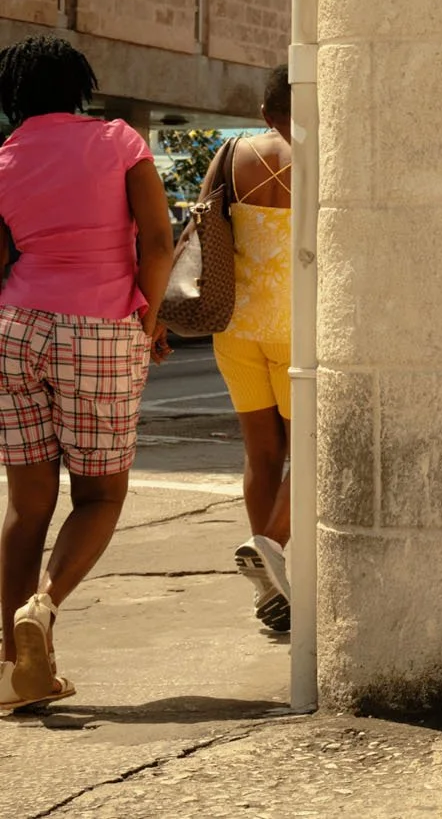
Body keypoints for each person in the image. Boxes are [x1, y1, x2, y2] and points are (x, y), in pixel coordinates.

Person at [0, 37, 174, 711]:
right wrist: (148, 320)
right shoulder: (118, 139)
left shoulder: (5, 158)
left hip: (16, 327)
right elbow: (157, 242)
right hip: (99, 326)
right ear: (79, 84)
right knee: (99, 496)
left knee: (26, 500)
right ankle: (41, 607)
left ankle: (12, 672)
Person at [205, 65, 293, 634]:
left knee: (261, 455)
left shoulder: (233, 153)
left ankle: (274, 591)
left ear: (263, 113)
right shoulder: (321, 157)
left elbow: (200, 229)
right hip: (296, 327)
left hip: (235, 327)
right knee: (309, 454)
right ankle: (270, 546)